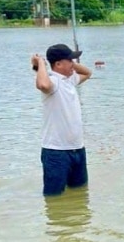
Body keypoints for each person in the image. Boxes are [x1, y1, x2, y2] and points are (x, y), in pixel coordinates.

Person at [31, 44, 92, 197]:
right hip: (56, 152)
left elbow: (88, 72)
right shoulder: (53, 82)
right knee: (54, 197)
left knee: (80, 193)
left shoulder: (69, 80)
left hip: (78, 149)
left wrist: (70, 64)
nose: (73, 63)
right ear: (58, 64)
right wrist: (41, 64)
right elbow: (43, 84)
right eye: (69, 60)